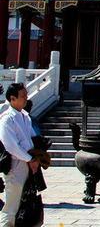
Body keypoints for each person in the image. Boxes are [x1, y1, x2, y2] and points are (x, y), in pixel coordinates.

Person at [0, 83, 40, 227]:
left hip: (28, 163)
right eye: (23, 96)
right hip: (15, 164)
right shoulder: (7, 119)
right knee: (12, 204)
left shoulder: (25, 116)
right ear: (12, 98)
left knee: (26, 201)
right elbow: (11, 146)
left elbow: (30, 138)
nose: (26, 98)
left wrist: (36, 156)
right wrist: (29, 158)